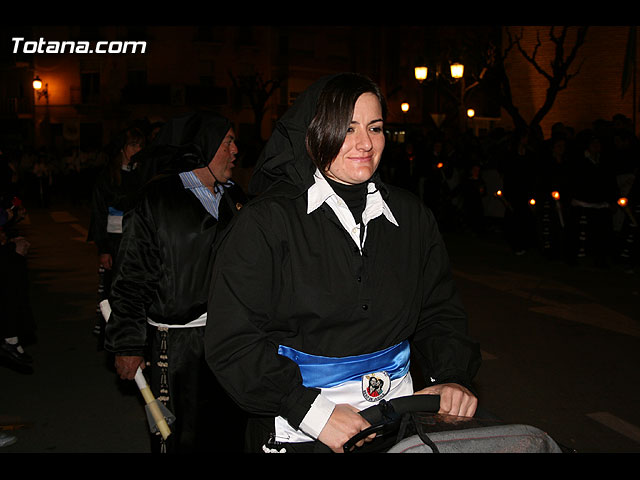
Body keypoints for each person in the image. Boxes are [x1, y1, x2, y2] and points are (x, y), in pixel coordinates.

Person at [204, 73, 482, 454]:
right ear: (314, 133)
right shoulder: (266, 222)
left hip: (398, 425)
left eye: (375, 127)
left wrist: (452, 376)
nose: (365, 143)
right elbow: (233, 342)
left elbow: (439, 312)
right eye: (347, 128)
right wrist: (313, 413)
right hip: (302, 431)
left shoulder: (413, 217)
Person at [104, 112, 247, 453]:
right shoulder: (157, 199)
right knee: (177, 435)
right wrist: (128, 344)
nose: (235, 150)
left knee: (229, 431)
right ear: (204, 148)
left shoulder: (236, 198)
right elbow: (131, 275)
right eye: (228, 141)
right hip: (177, 346)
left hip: (229, 338)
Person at [87, 127, 145, 344]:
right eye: (133, 145)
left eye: (140, 145)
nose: (138, 149)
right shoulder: (108, 176)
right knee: (115, 290)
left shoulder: (143, 172)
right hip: (116, 240)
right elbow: (99, 212)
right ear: (122, 149)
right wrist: (103, 248)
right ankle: (113, 334)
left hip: (139, 240)